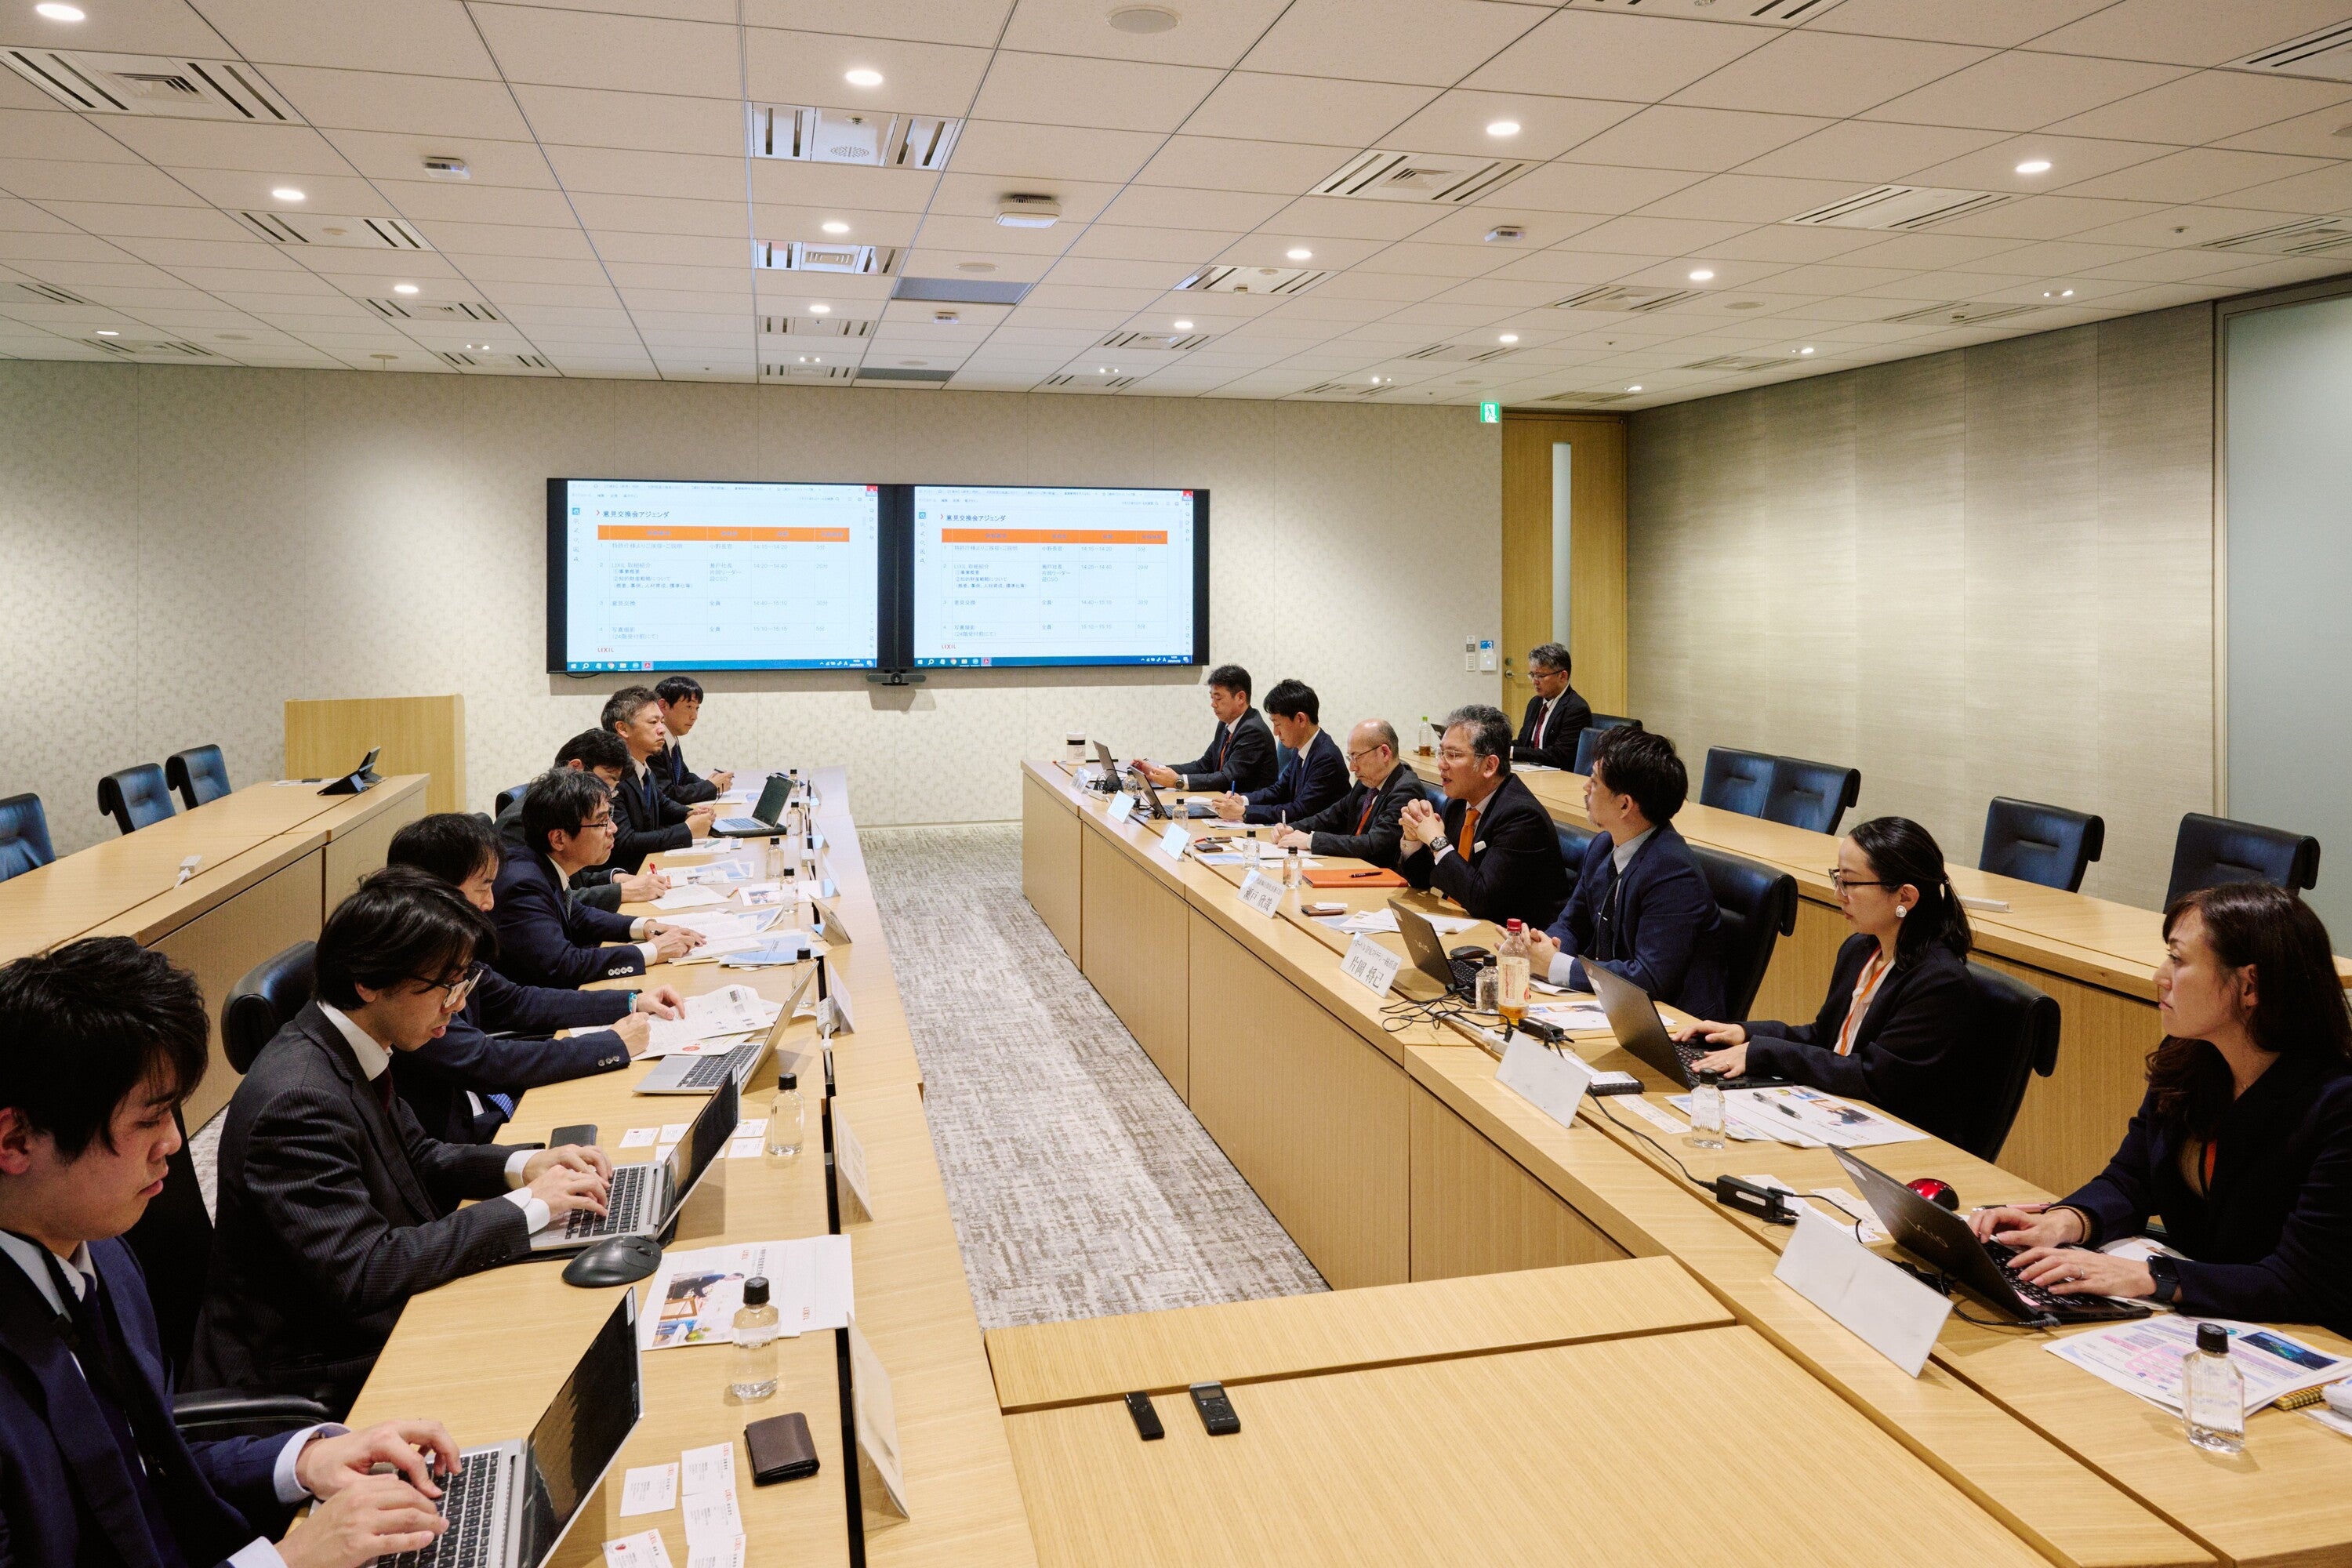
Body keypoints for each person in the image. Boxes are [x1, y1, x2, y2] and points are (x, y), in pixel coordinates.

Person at [0, 937, 468, 1568]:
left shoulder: (101, 1252)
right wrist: (288, 1561)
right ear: (15, 1141)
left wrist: (304, 1459)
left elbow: (145, 1461)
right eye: (149, 1120)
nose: (175, 1142)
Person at [193, 878, 615, 1416]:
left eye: (464, 983)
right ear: (369, 981)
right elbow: (366, 1269)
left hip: (364, 1314)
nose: (458, 1005)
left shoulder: (348, 1043)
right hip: (315, 1364)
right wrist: (528, 1207)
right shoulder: (297, 1101)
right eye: (445, 987)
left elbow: (420, 1156)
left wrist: (525, 1165)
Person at [1970, 883, 2352, 1332]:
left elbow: (2300, 1282)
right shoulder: (2189, 1057)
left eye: (2178, 959)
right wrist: (2063, 1222)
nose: (2159, 975)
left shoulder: (2337, 1105)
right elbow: (2132, 1178)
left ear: (2250, 985)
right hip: (2207, 1318)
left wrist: (2152, 1277)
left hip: (2308, 1337)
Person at [384, 817, 686, 1142]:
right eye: (483, 887)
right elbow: (483, 1060)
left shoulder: (449, 946)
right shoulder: (407, 970)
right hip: (465, 1135)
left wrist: (630, 1001)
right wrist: (610, 1044)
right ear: (438, 889)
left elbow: (516, 1001)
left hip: (488, 1107)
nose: (490, 903)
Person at [1675, 817, 1976, 1142]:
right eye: (1837, 878)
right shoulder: (1860, 950)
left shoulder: (1940, 981)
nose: (1838, 894)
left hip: (1892, 1139)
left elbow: (1873, 1078)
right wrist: (1744, 1032)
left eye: (1850, 883)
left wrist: (1766, 1052)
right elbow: (1825, 1037)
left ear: (1905, 897)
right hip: (1838, 1113)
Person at [1525, 728, 1725, 1018]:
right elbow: (1572, 924)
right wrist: (1546, 948)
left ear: (1624, 804)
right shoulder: (1603, 846)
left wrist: (1558, 966)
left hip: (1674, 1023)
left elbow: (1650, 977)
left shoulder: (1672, 872)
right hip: (1614, 1005)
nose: (1585, 787)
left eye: (1594, 781)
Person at [492, 769, 704, 990]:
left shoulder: (541, 865)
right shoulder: (523, 885)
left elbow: (578, 915)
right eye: (602, 822)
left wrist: (646, 927)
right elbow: (562, 966)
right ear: (559, 838)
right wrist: (653, 951)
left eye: (610, 817)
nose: (613, 829)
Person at [1397, 705, 1570, 928]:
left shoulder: (1522, 818)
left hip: (1509, 939)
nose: (1441, 764)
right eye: (1441, 753)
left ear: (1489, 765)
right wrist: (1413, 839)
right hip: (1463, 924)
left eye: (1453, 755)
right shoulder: (1459, 803)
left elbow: (1482, 900)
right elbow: (1423, 880)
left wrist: (1437, 842)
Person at [495, 730, 666, 913]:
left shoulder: (566, 808)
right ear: (575, 768)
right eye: (608, 782)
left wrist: (614, 878)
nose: (608, 794)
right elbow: (545, 897)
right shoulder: (520, 821)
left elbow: (573, 879)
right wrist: (621, 892)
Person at [1273, 719, 1425, 869]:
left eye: (1356, 757)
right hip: (1352, 866)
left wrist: (1311, 841)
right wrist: (1292, 828)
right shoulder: (1367, 783)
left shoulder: (1406, 790)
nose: (1352, 767)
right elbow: (1332, 815)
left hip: (1379, 875)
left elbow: (1374, 844)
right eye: (1350, 758)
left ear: (1384, 753)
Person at [603, 686, 713, 873]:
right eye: (653, 722)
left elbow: (662, 803)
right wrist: (686, 830)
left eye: (662, 721)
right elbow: (624, 841)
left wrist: (689, 813)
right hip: (626, 875)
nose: (662, 729)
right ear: (623, 728)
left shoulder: (642, 765)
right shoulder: (612, 777)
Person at [1212, 678, 1348, 826]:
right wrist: (1242, 800)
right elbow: (1279, 790)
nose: (1275, 732)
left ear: (1301, 719)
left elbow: (1301, 810)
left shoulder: (1326, 758)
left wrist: (1244, 813)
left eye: (1277, 724)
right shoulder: (1302, 748)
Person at [1133, 664, 1277, 795]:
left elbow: (1228, 778)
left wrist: (1178, 781)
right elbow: (1203, 766)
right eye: (1212, 698)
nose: (1213, 704)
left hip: (1249, 809)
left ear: (1240, 697)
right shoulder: (1225, 725)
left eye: (1218, 698)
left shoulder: (1253, 731)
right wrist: (1156, 770)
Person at [653, 676, 733, 805]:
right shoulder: (653, 744)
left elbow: (684, 777)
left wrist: (709, 784)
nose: (694, 716)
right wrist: (710, 786)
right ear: (663, 706)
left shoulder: (672, 738)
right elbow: (666, 794)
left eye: (697, 708)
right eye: (689, 706)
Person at [1512, 643, 1592, 772]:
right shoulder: (1535, 703)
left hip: (1558, 775)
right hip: (1531, 770)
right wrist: (1498, 748)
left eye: (1541, 676)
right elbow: (1523, 742)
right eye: (1532, 674)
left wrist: (1511, 752)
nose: (1534, 681)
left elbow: (1559, 756)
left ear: (1563, 676)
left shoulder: (1576, 709)